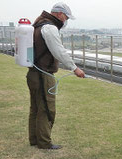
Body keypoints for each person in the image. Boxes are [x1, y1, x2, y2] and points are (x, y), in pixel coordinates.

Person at [26, 2, 85, 150]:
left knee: (36, 107)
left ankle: (35, 139)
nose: (66, 21)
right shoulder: (49, 27)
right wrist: (74, 68)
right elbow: (58, 50)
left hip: (33, 73)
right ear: (59, 14)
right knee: (46, 108)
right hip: (43, 75)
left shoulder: (38, 23)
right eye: (66, 17)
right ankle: (44, 143)